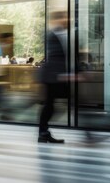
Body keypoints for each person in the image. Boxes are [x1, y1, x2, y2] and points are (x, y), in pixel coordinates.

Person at [38, 11, 71, 143]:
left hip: (55, 76)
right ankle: (43, 133)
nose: (67, 20)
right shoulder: (51, 35)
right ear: (57, 20)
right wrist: (65, 75)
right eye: (64, 18)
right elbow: (54, 58)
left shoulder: (61, 34)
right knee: (50, 106)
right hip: (52, 76)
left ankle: (43, 133)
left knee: (50, 105)